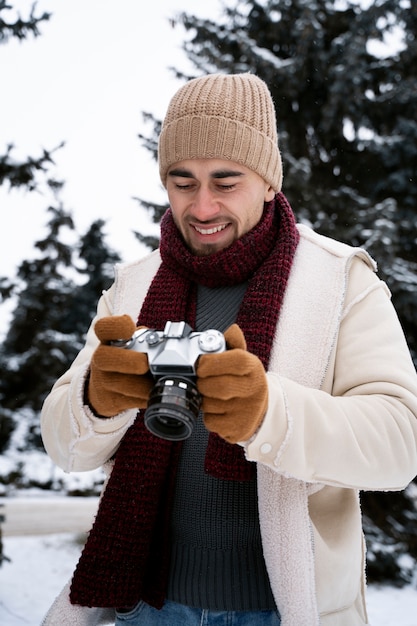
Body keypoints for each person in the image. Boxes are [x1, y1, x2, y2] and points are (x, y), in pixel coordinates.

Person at [40, 72, 417, 626]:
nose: (202, 205)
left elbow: (401, 442)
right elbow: (63, 446)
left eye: (226, 179)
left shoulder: (339, 279)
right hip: (147, 603)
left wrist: (270, 411)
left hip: (283, 608)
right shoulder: (134, 286)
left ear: (268, 182)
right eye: (182, 180)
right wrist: (95, 401)